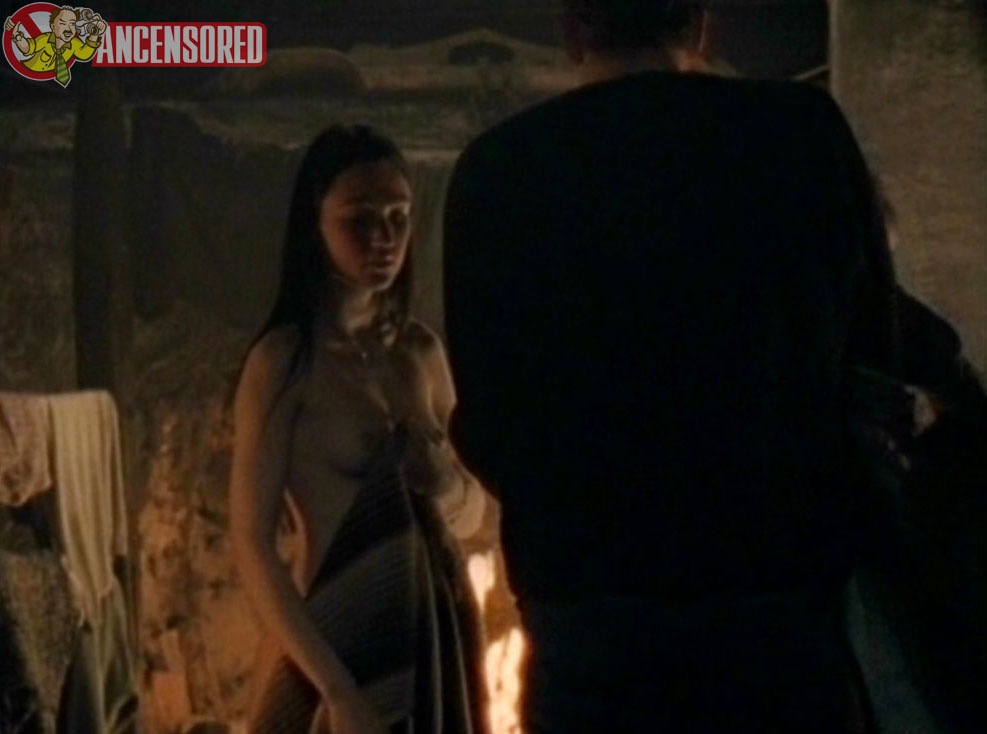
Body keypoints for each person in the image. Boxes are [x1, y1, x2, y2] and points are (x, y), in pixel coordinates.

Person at [443, 1, 897, 732]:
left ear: (573, 31)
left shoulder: (498, 170)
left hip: (590, 609)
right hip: (775, 602)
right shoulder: (799, 134)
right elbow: (876, 352)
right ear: (701, 27)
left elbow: (487, 418)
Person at [230, 125, 487, 734]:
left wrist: (444, 483)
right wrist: (338, 689)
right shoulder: (285, 362)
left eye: (398, 217)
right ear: (315, 225)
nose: (384, 238)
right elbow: (252, 543)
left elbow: (472, 515)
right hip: (332, 638)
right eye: (360, 220)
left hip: (430, 636)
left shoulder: (421, 354)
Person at [4, 6, 106, 87]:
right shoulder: (45, 39)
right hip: (25, 78)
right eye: (62, 23)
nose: (68, 29)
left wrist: (95, 33)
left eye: (72, 24)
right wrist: (16, 35)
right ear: (53, 27)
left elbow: (85, 54)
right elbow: (27, 48)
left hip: (52, 86)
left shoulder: (74, 43)